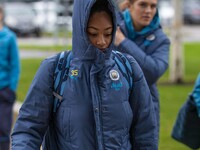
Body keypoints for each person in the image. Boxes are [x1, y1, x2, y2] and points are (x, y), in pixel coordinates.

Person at [12, 0, 157, 149]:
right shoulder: (55, 69)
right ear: (80, 30)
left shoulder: (128, 67)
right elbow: (28, 129)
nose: (101, 41)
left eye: (108, 33)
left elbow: (145, 133)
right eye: (93, 33)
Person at [114, 0, 170, 138]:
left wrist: (123, 42)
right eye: (143, 4)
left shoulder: (161, 40)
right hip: (112, 105)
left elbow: (152, 73)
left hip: (145, 108)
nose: (148, 11)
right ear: (129, 5)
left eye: (153, 6)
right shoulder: (109, 27)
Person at [0, 4, 20, 150]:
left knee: (4, 127)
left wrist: (11, 88)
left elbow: (15, 65)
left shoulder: (9, 37)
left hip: (4, 89)